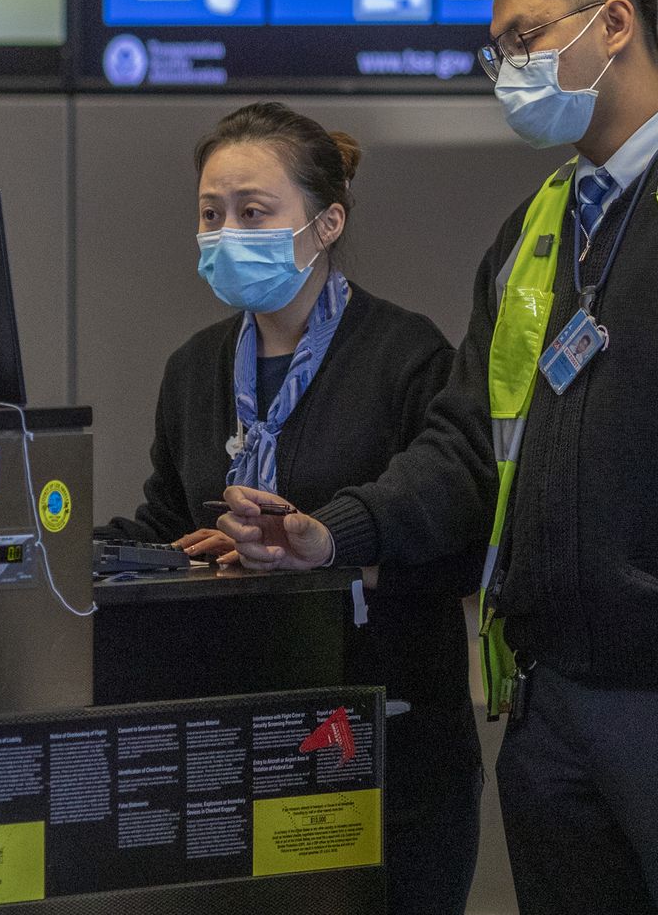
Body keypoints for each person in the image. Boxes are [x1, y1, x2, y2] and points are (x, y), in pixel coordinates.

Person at [216, 0, 658, 915]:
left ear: (615, 25)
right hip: (551, 702)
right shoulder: (535, 232)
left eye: (525, 39)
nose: (508, 71)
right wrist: (330, 533)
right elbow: (467, 449)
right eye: (497, 51)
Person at [94, 102, 482, 914]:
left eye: (254, 213)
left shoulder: (407, 357)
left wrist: (323, 549)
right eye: (211, 214)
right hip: (231, 748)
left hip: (382, 750)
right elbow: (170, 519)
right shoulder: (196, 369)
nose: (227, 232)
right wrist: (82, 553)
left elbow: (462, 548)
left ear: (327, 222)